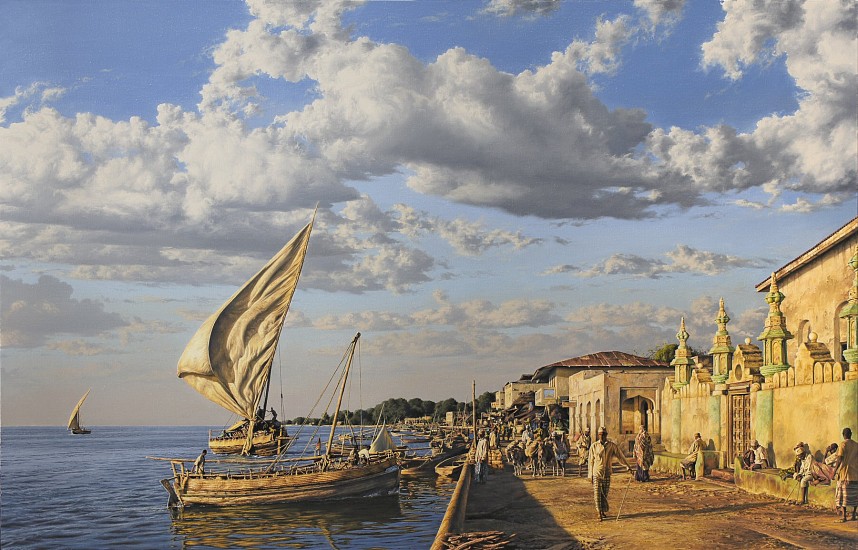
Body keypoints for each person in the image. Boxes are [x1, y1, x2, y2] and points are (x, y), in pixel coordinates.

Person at [587, 426, 633, 521]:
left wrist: (628, 467)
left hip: (607, 473)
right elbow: (591, 461)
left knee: (604, 494)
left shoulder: (612, 446)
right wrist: (590, 475)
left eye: (603, 434)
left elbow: (620, 457)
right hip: (597, 473)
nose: (602, 436)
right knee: (597, 494)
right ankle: (599, 512)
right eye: (600, 434)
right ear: (598, 435)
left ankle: (602, 510)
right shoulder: (594, 446)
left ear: (606, 435)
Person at [832, 427, 858, 522]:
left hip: (845, 474)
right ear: (851, 434)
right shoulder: (856, 445)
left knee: (843, 496)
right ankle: (854, 514)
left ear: (843, 435)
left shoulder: (843, 444)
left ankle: (844, 516)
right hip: (855, 474)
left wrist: (834, 471)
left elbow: (839, 459)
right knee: (855, 496)